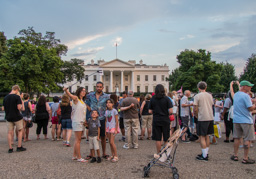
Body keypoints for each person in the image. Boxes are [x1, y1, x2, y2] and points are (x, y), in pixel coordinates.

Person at [231, 80, 256, 164]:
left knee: (237, 138)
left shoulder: (237, 95)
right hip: (246, 120)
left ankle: (235, 155)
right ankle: (245, 158)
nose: (250, 87)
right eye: (249, 86)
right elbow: (250, 108)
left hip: (236, 119)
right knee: (247, 139)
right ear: (245, 86)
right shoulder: (246, 96)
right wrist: (255, 105)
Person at [86, 81, 110, 159]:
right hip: (93, 119)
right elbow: (86, 104)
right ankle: (91, 153)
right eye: (97, 86)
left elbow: (109, 106)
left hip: (102, 118)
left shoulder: (106, 96)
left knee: (103, 137)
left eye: (100, 87)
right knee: (92, 137)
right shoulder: (90, 95)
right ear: (95, 87)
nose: (99, 88)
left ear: (102, 87)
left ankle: (104, 153)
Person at [64, 87, 87, 162]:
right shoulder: (76, 99)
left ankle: (74, 155)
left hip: (81, 121)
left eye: (84, 91)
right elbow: (71, 95)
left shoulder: (82, 101)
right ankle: (79, 157)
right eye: (82, 91)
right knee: (78, 140)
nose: (84, 92)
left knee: (77, 140)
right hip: (77, 121)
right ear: (79, 91)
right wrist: (66, 90)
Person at [149, 84, 173, 153]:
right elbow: (171, 111)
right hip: (165, 119)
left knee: (158, 138)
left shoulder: (153, 98)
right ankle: (165, 153)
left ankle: (158, 153)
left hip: (156, 120)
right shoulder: (167, 99)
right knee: (166, 138)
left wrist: (156, 111)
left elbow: (150, 111)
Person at [193, 81, 214, 161]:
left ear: (198, 88)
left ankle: (204, 156)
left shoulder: (197, 96)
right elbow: (211, 105)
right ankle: (206, 153)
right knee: (207, 135)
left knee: (202, 136)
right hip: (210, 116)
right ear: (206, 87)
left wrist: (196, 115)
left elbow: (195, 108)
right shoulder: (210, 95)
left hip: (202, 117)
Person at [3, 85, 26, 153]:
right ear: (16, 90)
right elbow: (19, 107)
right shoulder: (17, 97)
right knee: (20, 131)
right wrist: (22, 106)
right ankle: (19, 146)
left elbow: (3, 108)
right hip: (16, 116)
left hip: (8, 116)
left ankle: (10, 148)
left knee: (9, 132)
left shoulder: (5, 97)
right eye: (18, 91)